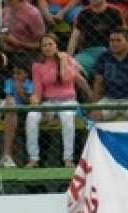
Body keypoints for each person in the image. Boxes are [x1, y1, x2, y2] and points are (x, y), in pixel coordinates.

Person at [26, 33, 92, 168]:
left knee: (67, 117)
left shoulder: (69, 60)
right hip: (49, 102)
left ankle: (68, 159)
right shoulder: (38, 66)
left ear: (56, 46)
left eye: (50, 44)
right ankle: (33, 158)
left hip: (68, 101)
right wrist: (35, 104)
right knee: (31, 116)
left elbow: (66, 78)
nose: (47, 47)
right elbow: (37, 91)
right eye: (44, 45)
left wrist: (62, 60)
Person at [67, 0, 125, 78]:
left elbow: (126, 36)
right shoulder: (83, 13)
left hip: (110, 51)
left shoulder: (115, 11)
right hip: (88, 52)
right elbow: (74, 39)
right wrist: (68, 59)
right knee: (73, 67)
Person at [0, 59, 34, 168]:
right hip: (10, 112)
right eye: (14, 73)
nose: (15, 76)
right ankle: (8, 156)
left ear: (26, 74)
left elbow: (29, 102)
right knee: (10, 102)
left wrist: (21, 92)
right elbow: (8, 96)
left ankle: (27, 158)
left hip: (24, 113)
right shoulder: (9, 82)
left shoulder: (29, 84)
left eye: (19, 73)